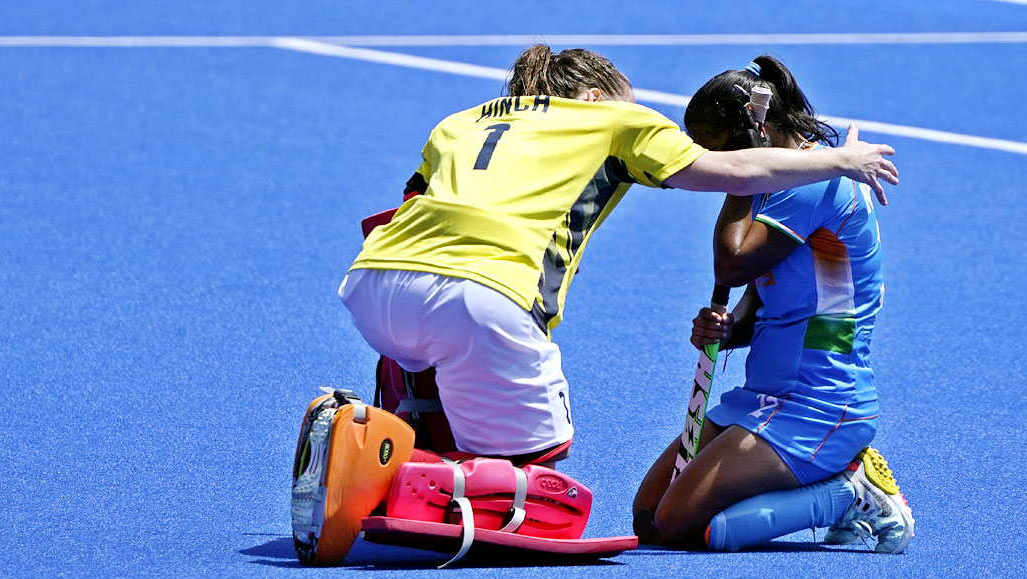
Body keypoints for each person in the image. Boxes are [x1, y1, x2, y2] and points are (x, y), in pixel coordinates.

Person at [339, 45, 896, 465]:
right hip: (483, 295)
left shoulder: (463, 120)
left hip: (371, 287)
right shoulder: (614, 119)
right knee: (534, 474)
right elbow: (732, 171)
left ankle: (383, 441)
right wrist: (840, 162)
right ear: (591, 98)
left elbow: (405, 206)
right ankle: (443, 479)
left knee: (424, 352)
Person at [631, 55, 914, 554]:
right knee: (649, 517)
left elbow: (732, 263)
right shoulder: (784, 180)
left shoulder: (817, 182)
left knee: (681, 524)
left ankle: (847, 494)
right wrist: (731, 328)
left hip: (820, 403)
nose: (710, 166)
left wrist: (744, 171)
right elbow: (767, 289)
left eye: (716, 152)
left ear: (750, 136)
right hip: (763, 394)